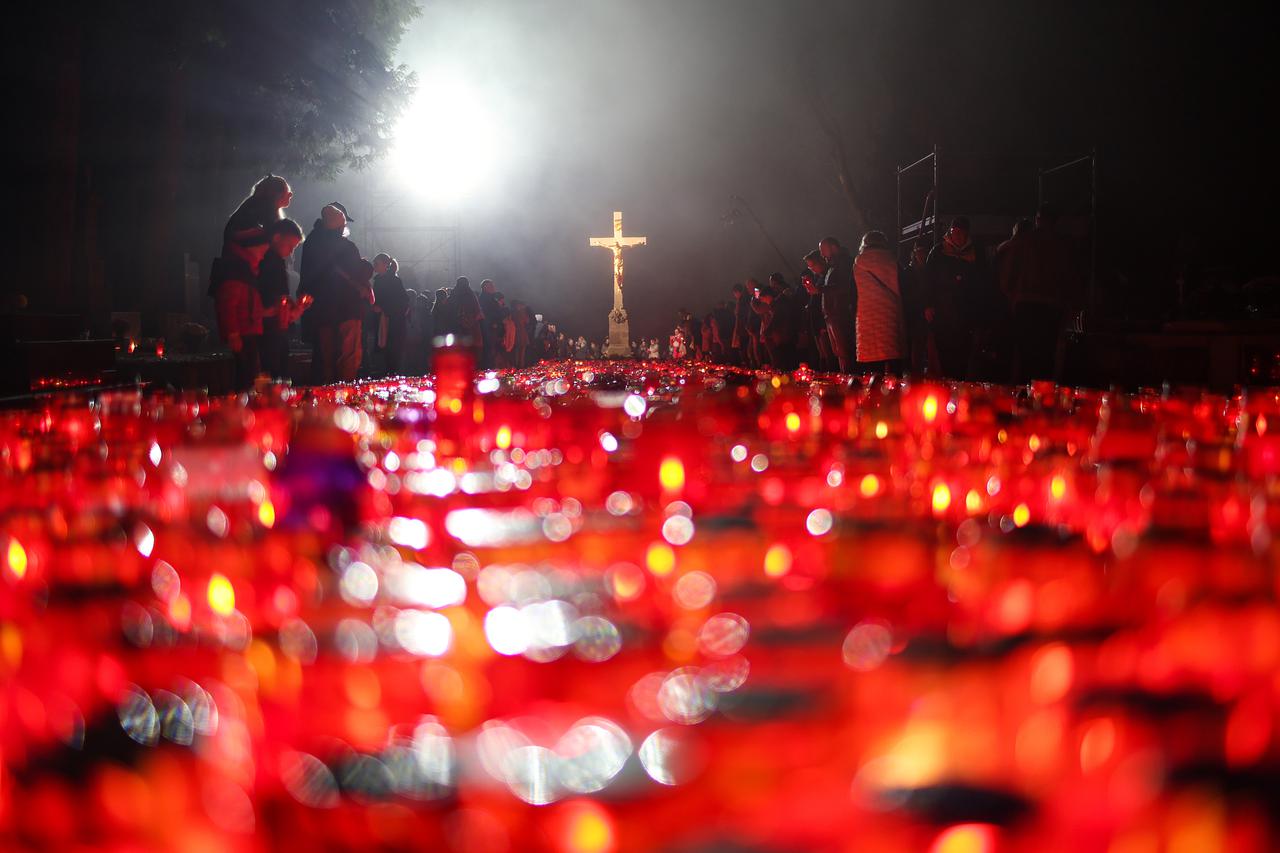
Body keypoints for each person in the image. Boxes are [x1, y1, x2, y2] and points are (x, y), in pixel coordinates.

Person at [999, 205, 1077, 382]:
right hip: (1052, 306)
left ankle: (1023, 396)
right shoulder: (1062, 245)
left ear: (1038, 219)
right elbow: (1070, 278)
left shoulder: (1023, 241)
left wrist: (1012, 296)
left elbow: (1007, 274)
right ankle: (1043, 397)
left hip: (1025, 304)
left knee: (1024, 354)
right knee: (1046, 355)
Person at [298, 202, 369, 384]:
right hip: (347, 308)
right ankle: (345, 397)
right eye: (343, 224)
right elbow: (358, 271)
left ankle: (325, 397)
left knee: (325, 358)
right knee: (348, 356)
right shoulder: (344, 246)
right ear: (339, 225)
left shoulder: (312, 242)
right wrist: (366, 267)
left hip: (321, 310)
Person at [924, 216, 995, 380]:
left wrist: (982, 313)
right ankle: (947, 384)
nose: (958, 237)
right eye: (955, 232)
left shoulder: (976, 254)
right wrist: (928, 304)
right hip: (943, 313)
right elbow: (927, 280)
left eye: (962, 233)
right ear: (950, 232)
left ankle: (959, 387)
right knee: (945, 352)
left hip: (967, 314)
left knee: (963, 354)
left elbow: (984, 284)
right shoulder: (938, 252)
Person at [211, 233, 269, 390]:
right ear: (252, 249)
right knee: (245, 377)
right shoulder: (236, 271)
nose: (263, 257)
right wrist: (233, 334)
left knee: (251, 375)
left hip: (249, 331)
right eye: (262, 252)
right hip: (242, 333)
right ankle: (243, 408)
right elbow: (227, 305)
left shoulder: (247, 272)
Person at [256, 219, 306, 381]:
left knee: (280, 370)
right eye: (290, 246)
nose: (291, 252)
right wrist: (269, 310)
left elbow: (281, 295)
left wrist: (296, 308)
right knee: (271, 372)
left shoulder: (277, 261)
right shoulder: (263, 259)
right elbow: (265, 293)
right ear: (277, 237)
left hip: (278, 326)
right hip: (266, 327)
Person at [852, 231, 904, 374]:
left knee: (872, 360)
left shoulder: (858, 262)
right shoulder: (892, 261)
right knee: (892, 355)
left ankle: (874, 388)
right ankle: (895, 390)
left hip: (867, 314)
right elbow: (903, 284)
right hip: (889, 312)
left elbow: (852, 290)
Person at [811, 242, 856, 372]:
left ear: (834, 247)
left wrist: (819, 289)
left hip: (840, 314)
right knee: (839, 352)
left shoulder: (844, 264)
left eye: (823, 250)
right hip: (832, 315)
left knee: (845, 351)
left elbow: (843, 287)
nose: (822, 254)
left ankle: (851, 382)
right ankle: (845, 378)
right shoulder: (833, 266)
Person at [223, 175, 292, 247]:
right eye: (285, 191)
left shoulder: (257, 203)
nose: (290, 194)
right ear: (276, 194)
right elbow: (273, 235)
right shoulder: (262, 205)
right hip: (240, 252)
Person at [371, 254, 409, 376]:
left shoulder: (392, 280)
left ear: (385, 265)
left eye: (377, 263)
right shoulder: (381, 281)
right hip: (384, 320)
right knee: (386, 351)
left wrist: (382, 307)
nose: (374, 266)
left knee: (390, 351)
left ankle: (391, 375)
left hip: (392, 322)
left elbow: (402, 301)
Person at [451, 277, 484, 360]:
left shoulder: (454, 294)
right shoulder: (470, 294)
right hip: (469, 325)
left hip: (458, 325)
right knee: (471, 349)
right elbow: (477, 310)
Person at [478, 279, 502, 369]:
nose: (493, 288)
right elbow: (487, 313)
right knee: (489, 350)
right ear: (485, 288)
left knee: (492, 350)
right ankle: (488, 368)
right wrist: (493, 323)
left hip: (493, 328)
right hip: (488, 328)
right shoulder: (483, 299)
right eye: (490, 286)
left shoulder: (491, 299)